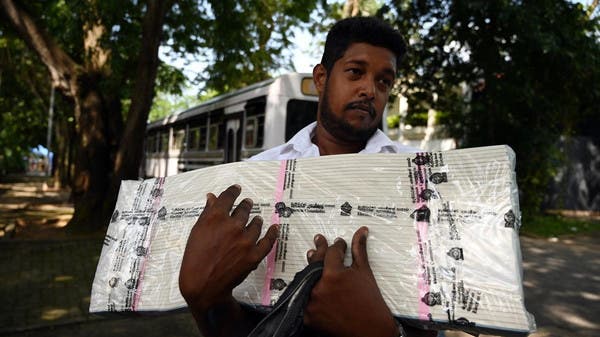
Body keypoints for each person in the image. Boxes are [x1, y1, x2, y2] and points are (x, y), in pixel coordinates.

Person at [179, 17, 438, 337]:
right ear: (321, 78)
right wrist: (207, 300)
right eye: (356, 72)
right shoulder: (260, 172)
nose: (370, 90)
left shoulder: (420, 177)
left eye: (384, 82)